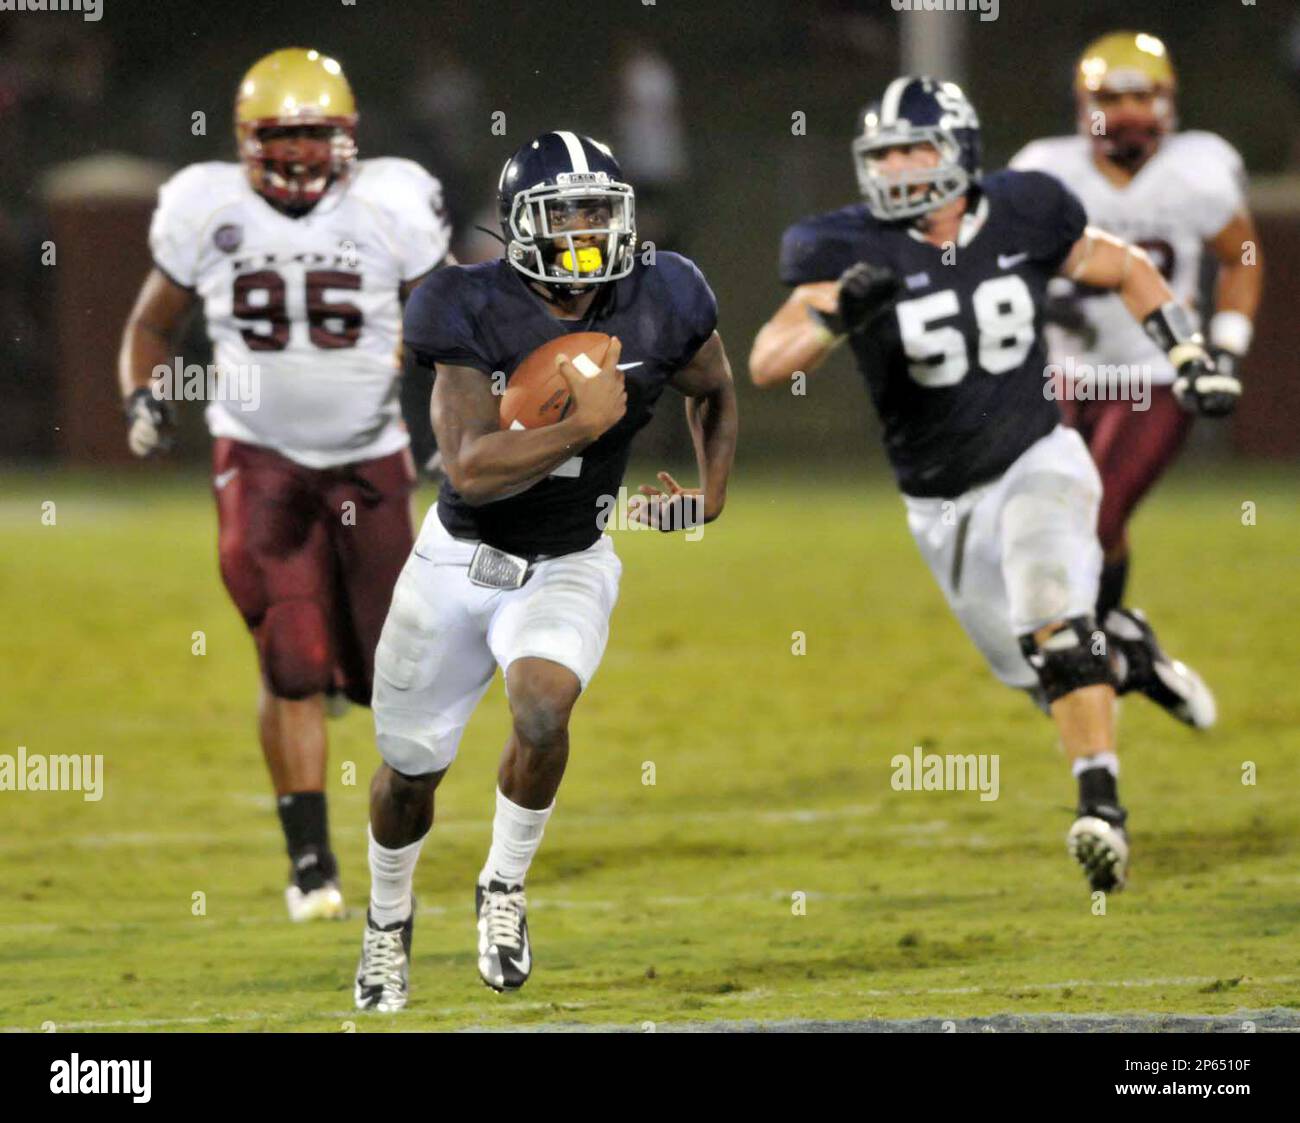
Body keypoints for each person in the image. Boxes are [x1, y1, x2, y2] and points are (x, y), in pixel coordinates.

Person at [750, 77, 1239, 894]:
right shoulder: (843, 245)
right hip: (941, 505)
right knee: (1045, 670)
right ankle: (1136, 657)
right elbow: (768, 361)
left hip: (1038, 455)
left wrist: (1189, 355)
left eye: (916, 149)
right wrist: (836, 314)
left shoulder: (1024, 209)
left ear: (961, 154)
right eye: (885, 155)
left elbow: (1123, 269)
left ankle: (1100, 811)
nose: (900, 169)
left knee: (1051, 611)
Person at [353, 132, 738, 1010]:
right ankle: (386, 920)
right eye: (564, 215)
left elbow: (714, 386)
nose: (584, 232)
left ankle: (503, 886)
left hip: (569, 556)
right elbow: (469, 467)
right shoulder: (463, 303)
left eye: (598, 212)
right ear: (522, 223)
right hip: (456, 561)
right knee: (408, 774)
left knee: (541, 705)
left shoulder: (664, 293)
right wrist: (577, 426)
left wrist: (710, 494)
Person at [118, 48, 451, 921]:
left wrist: (470, 421)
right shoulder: (207, 207)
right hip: (258, 456)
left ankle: (349, 675)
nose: (301, 153)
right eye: (283, 136)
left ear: (347, 139)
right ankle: (311, 862)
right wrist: (143, 393)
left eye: (316, 135)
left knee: (390, 676)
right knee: (293, 655)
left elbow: (452, 325)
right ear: (246, 141)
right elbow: (154, 320)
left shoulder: (393, 203)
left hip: (371, 457)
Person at [1011, 31, 1261, 661]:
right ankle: (1115, 636)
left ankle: (1084, 646)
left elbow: (1242, 257)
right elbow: (1000, 257)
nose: (1124, 114)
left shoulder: (1197, 169)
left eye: (1139, 97)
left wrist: (1225, 347)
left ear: (1167, 101)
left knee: (1094, 511)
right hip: (1063, 374)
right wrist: (1036, 294)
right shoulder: (1046, 168)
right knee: (1046, 514)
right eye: (1108, 98)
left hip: (1154, 373)